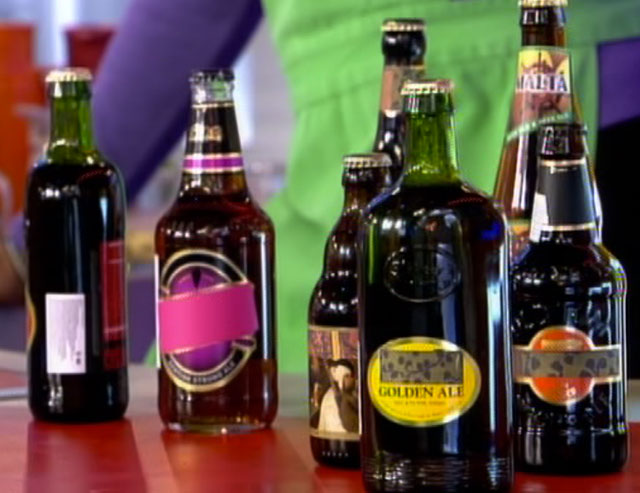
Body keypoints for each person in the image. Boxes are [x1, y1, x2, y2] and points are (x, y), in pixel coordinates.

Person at [2, 0, 639, 377]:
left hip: (572, 122)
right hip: (349, 163)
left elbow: (186, 14)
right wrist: (45, 224)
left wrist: (27, 240)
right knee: (201, 371)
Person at [317, 359, 358, 435]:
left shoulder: (357, 396)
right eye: (346, 376)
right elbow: (322, 427)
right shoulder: (329, 397)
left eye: (347, 376)